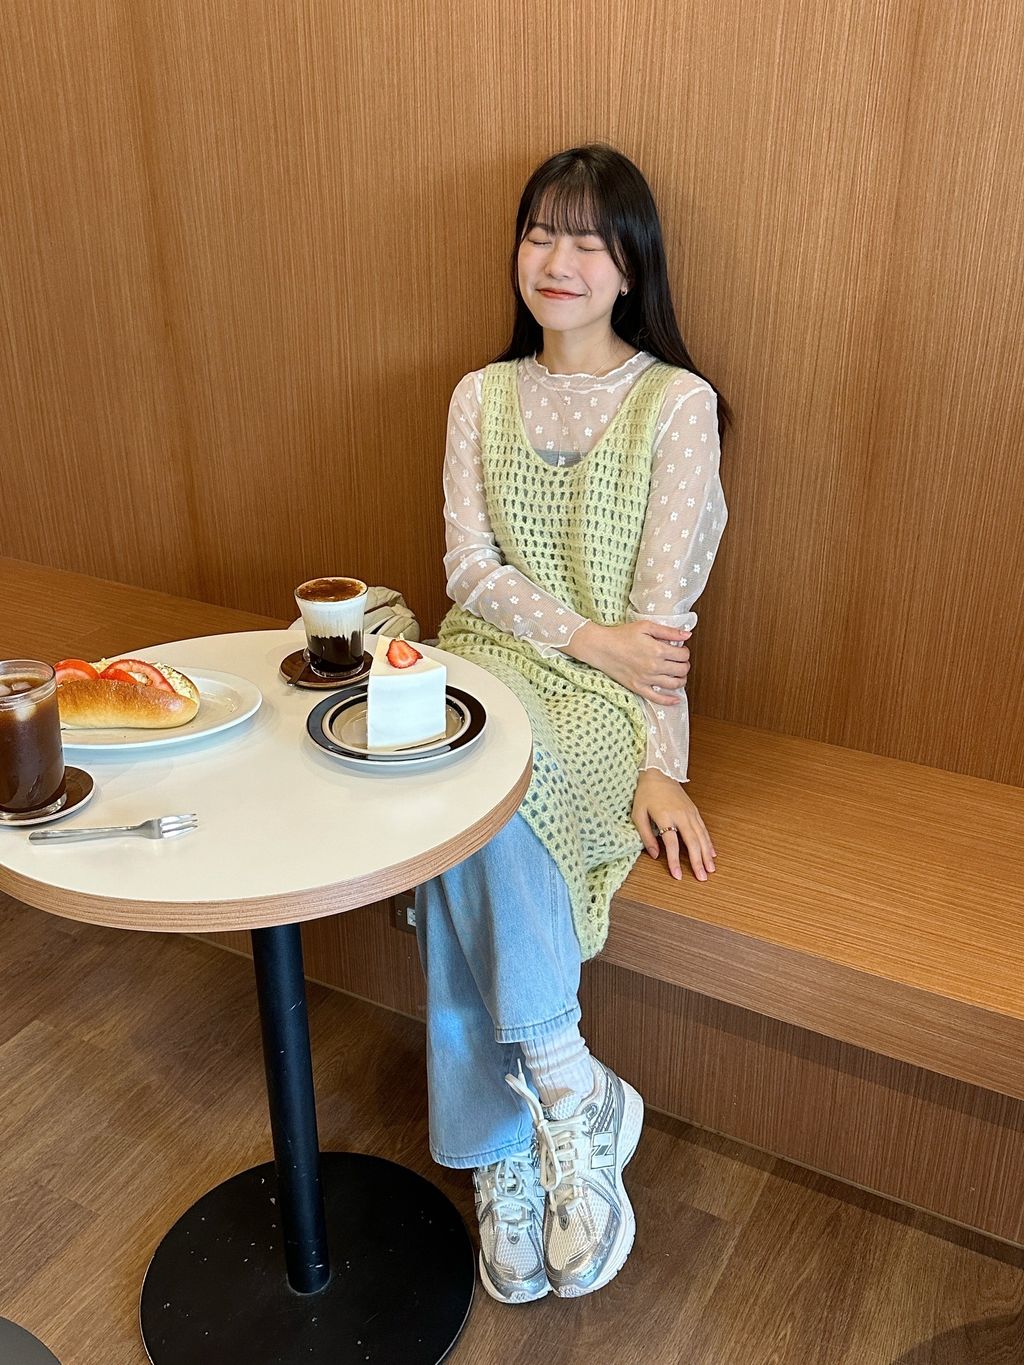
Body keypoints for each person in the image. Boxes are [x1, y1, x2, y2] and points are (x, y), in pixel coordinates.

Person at [414, 144, 729, 1306]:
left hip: (603, 702)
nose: (558, 259)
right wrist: (586, 635)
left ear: (630, 267)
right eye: (541, 232)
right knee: (457, 766)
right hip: (488, 656)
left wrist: (662, 766)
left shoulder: (675, 404)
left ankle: (511, 1125)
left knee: (491, 790)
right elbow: (465, 570)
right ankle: (563, 1095)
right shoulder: (479, 394)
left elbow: (659, 624)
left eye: (589, 241)